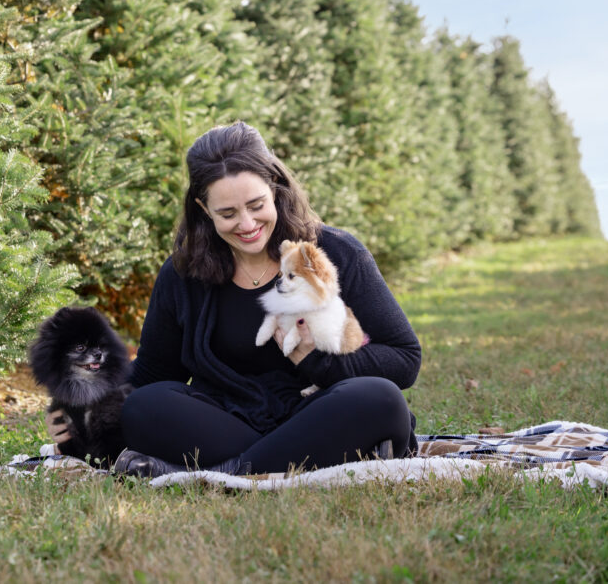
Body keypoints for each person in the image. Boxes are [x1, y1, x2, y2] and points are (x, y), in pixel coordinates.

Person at [112, 121, 422, 477]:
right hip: (229, 420)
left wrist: (317, 361)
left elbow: (404, 358)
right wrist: (82, 407)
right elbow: (154, 373)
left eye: (256, 205)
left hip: (320, 412)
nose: (246, 224)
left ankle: (228, 472)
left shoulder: (335, 252)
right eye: (227, 214)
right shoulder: (183, 273)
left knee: (380, 400)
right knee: (144, 406)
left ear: (275, 187)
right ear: (202, 208)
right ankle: (290, 464)